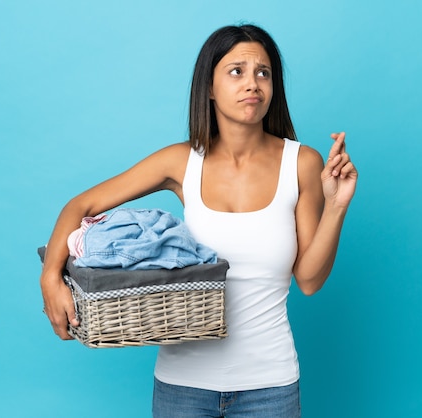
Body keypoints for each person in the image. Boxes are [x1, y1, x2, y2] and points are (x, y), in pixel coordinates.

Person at [40, 23, 357, 418]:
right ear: (209, 87)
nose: (252, 83)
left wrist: (337, 205)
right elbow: (80, 206)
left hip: (270, 387)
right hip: (183, 388)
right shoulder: (181, 161)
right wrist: (50, 278)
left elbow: (309, 280)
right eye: (236, 71)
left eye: (264, 72)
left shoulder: (302, 163)